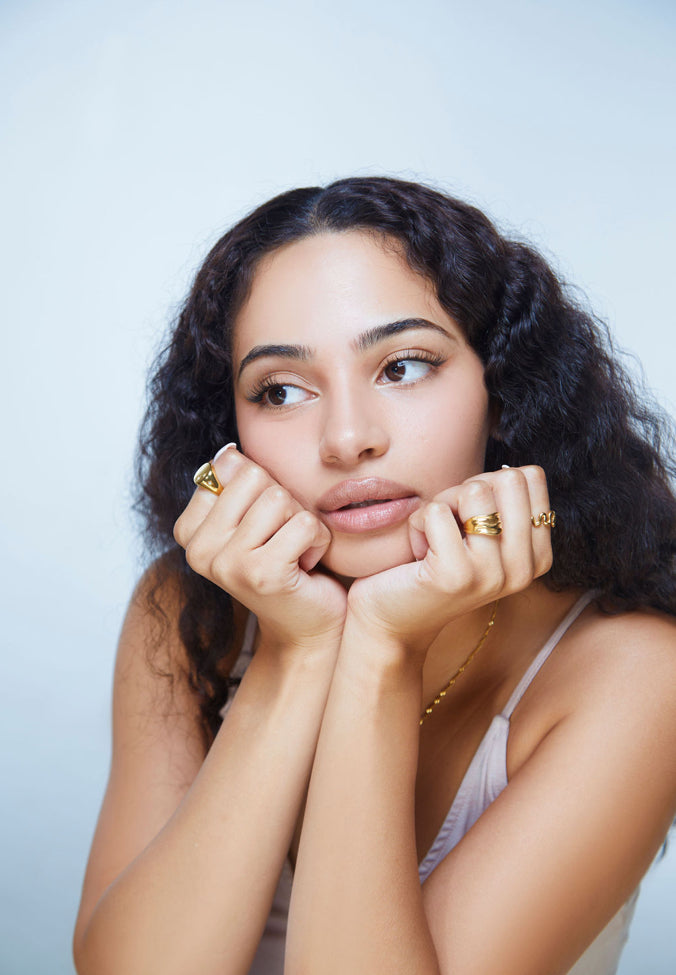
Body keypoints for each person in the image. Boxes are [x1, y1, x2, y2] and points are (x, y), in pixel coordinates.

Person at [73, 177, 676, 975]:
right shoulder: (185, 611)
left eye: (404, 367)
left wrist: (384, 652)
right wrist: (294, 654)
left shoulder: (638, 671)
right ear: (232, 433)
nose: (348, 438)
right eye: (281, 389)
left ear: (502, 389)